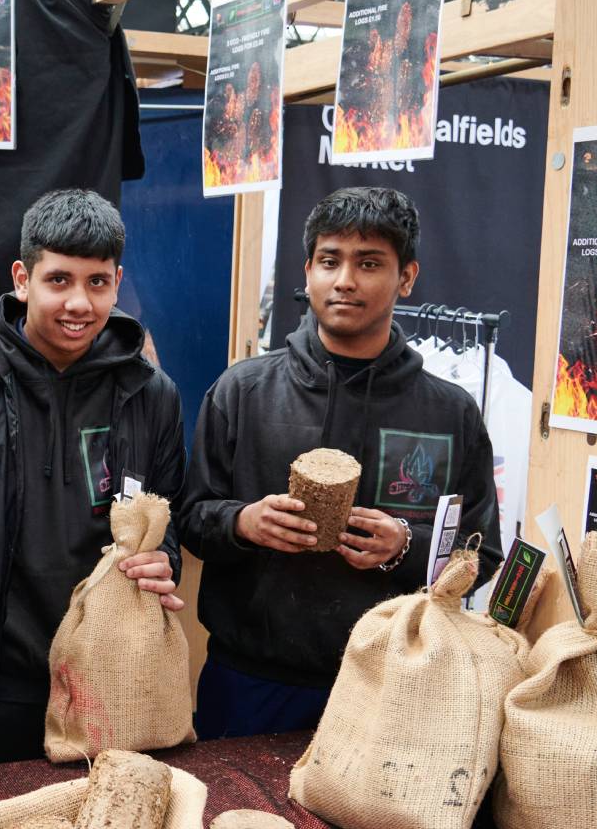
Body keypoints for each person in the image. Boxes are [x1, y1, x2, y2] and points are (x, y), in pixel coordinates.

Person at [177, 186, 499, 739]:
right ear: (308, 272)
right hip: (252, 683)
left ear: (407, 277)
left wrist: (406, 544)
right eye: (331, 261)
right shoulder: (244, 391)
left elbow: (482, 552)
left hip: (391, 684)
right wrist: (242, 523)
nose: (345, 280)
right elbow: (192, 519)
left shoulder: (450, 413)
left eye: (369, 263)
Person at [0, 189, 185, 766]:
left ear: (117, 282)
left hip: (113, 682)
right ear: (22, 278)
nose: (79, 303)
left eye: (97, 283)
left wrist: (167, 561)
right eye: (59, 280)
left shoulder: (152, 396)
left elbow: (171, 522)